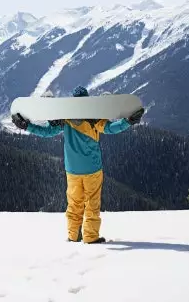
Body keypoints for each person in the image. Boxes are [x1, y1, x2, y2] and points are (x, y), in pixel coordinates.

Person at [11, 86, 144, 244]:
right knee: (92, 203)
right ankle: (90, 236)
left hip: (72, 170)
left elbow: (46, 132)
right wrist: (128, 122)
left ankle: (73, 236)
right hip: (92, 169)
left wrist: (27, 126)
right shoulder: (95, 119)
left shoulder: (65, 120)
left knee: (74, 204)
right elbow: (110, 128)